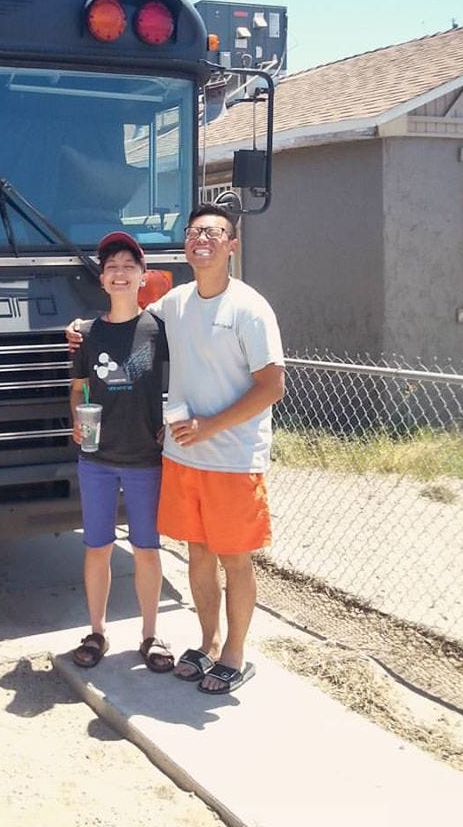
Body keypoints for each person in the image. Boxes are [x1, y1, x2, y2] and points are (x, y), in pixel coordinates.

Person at [67, 205, 284, 695]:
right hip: (184, 459)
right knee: (199, 555)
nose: (201, 240)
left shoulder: (250, 308)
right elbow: (123, 322)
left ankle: (234, 653)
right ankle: (207, 645)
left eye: (213, 233)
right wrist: (80, 327)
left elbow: (272, 386)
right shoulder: (176, 305)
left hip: (232, 457)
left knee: (234, 558)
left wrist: (210, 426)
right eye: (193, 233)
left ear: (232, 244)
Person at [68, 232, 172, 673]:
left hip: (147, 459)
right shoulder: (87, 335)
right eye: (112, 266)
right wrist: (77, 419)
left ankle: (151, 635)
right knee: (98, 547)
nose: (121, 272)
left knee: (146, 548)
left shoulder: (160, 330)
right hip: (97, 460)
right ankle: (97, 631)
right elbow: (78, 388)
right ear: (103, 280)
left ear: (143, 276)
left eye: (130, 265)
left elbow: (182, 383)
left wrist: (171, 424)